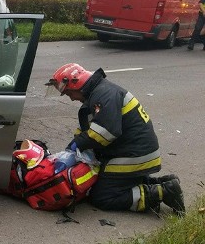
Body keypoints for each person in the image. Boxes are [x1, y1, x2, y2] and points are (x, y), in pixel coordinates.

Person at [46, 63, 185, 215]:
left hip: (134, 156)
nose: (71, 98)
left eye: (69, 94)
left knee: (102, 197)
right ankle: (163, 182)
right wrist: (75, 144)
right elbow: (91, 128)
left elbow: (105, 133)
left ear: (76, 83)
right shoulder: (100, 92)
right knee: (101, 182)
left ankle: (162, 192)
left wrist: (78, 143)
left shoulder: (103, 95)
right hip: (134, 151)